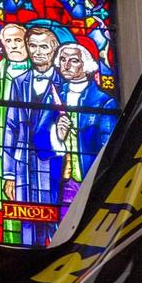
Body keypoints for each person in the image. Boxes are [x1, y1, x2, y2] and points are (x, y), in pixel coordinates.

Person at [43, 42, 118, 206]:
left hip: (91, 181)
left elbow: (110, 146)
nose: (66, 65)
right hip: (60, 182)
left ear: (87, 65)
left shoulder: (103, 102)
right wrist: (56, 137)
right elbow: (38, 138)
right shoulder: (53, 97)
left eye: (74, 60)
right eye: (62, 59)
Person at [1, 26, 62, 206]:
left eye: (43, 47)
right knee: (26, 217)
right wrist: (9, 173)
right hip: (23, 160)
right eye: (33, 46)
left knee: (55, 215)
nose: (37, 52)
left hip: (53, 160)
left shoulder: (63, 83)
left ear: (54, 48)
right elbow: (11, 128)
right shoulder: (19, 82)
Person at [0, 23, 31, 204]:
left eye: (18, 40)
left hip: (31, 145)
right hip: (1, 145)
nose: (13, 45)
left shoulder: (39, 72)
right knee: (7, 203)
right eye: (8, 41)